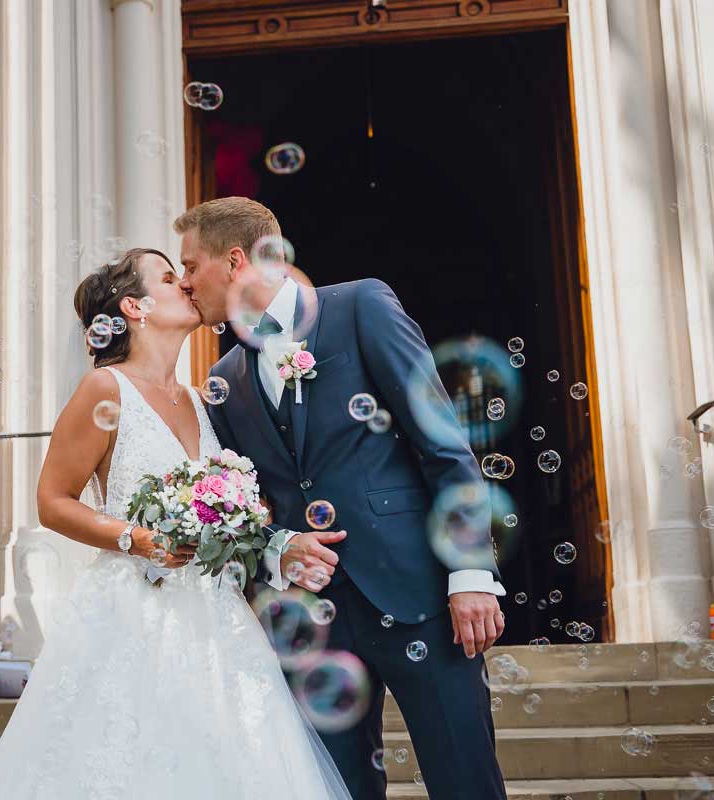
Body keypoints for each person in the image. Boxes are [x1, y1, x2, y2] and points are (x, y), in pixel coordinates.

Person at [0, 249, 352, 799]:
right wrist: (139, 538)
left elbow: (231, 513)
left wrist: (270, 540)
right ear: (135, 306)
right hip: (134, 612)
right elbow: (52, 501)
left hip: (217, 614)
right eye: (172, 278)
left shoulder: (203, 400)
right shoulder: (104, 389)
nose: (188, 286)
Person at [178, 196, 509, 799]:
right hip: (312, 622)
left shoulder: (358, 306)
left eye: (190, 265)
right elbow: (253, 508)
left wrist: (471, 576)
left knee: (465, 779)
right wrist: (279, 547)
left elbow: (441, 442)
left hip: (418, 593)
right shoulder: (223, 379)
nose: (182, 281)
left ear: (232, 261)